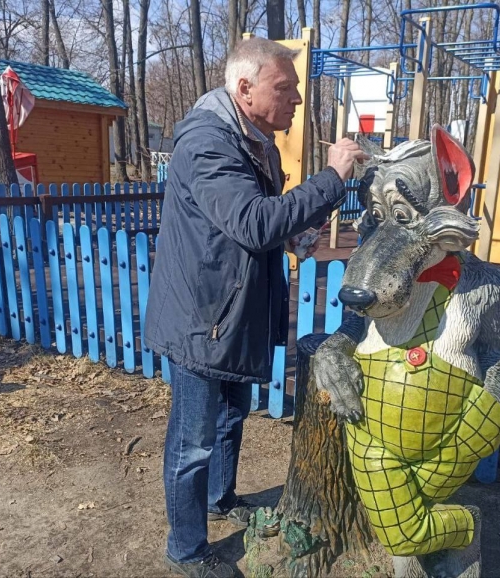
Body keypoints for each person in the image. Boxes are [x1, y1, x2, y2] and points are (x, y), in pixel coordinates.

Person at [143, 37, 368, 578]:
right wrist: (332, 178)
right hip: (202, 315)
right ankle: (186, 548)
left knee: (230, 417)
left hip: (230, 312)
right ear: (245, 89)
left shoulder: (254, 141)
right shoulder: (207, 143)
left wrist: (297, 231)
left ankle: (220, 500)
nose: (296, 100)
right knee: (193, 442)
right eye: (284, 88)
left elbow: (253, 223)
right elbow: (252, 222)